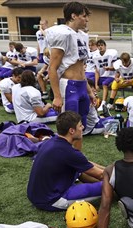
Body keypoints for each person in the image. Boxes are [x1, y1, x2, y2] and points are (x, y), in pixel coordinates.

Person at [45, 2, 101, 146]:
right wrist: (57, 96)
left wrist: (89, 91)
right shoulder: (63, 34)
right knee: (67, 130)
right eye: (84, 16)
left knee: (79, 128)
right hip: (68, 86)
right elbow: (52, 68)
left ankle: (76, 158)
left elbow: (81, 68)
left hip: (82, 86)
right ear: (73, 16)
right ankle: (63, 160)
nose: (86, 20)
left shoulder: (82, 36)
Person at [27, 111, 103, 211]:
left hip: (37, 195)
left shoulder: (51, 141)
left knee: (82, 169)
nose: (83, 127)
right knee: (108, 185)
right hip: (52, 200)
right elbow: (101, 175)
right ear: (71, 131)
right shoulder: (68, 152)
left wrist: (109, 168)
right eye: (80, 126)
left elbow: (85, 164)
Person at [92, 39, 118, 111]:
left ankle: (103, 103)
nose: (100, 47)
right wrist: (96, 84)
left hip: (111, 76)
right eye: (98, 46)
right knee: (89, 82)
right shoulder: (95, 56)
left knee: (104, 83)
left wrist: (109, 68)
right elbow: (97, 71)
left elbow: (116, 68)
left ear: (105, 46)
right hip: (102, 76)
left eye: (102, 45)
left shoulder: (111, 54)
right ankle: (93, 100)